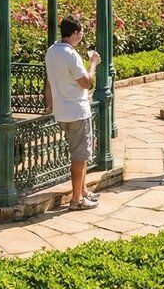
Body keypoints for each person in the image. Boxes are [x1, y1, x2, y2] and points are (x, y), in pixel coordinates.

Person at [43, 15, 102, 210]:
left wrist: (50, 106)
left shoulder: (51, 52)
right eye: (82, 32)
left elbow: (50, 82)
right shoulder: (71, 54)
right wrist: (93, 63)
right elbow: (86, 82)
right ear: (75, 33)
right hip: (77, 111)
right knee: (80, 156)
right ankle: (76, 199)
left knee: (79, 153)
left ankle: (82, 190)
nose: (82, 36)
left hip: (61, 111)